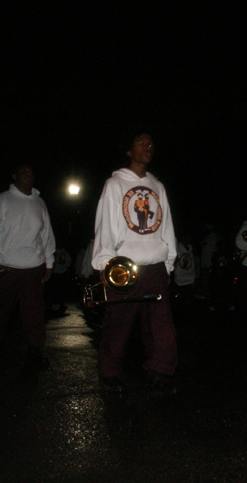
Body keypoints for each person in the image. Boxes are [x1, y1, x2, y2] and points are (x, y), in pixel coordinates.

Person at [91, 133, 178, 395]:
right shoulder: (115, 184)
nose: (148, 146)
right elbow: (105, 224)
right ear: (129, 151)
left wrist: (169, 261)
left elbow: (167, 225)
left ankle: (160, 372)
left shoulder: (157, 186)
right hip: (125, 267)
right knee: (119, 323)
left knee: (161, 324)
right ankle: (109, 373)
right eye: (142, 143)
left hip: (155, 266)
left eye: (151, 143)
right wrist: (106, 264)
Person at [0, 165, 56, 369]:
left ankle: (34, 352)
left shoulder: (39, 203)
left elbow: (46, 235)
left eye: (31, 172)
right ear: (14, 176)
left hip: (33, 267)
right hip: (5, 266)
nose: (28, 175)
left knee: (34, 313)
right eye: (23, 172)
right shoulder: (2, 199)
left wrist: (49, 261)